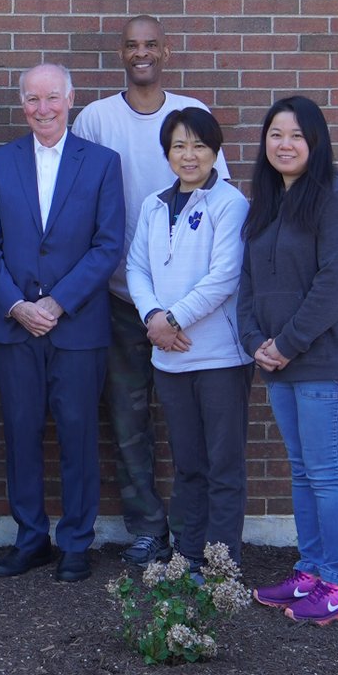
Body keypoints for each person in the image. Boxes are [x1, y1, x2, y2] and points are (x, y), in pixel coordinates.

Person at [70, 15, 230, 567]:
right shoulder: (95, 118)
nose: (142, 54)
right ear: (120, 53)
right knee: (128, 419)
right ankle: (146, 528)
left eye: (151, 45)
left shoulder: (194, 114)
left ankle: (195, 536)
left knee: (192, 429)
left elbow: (219, 203)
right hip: (119, 298)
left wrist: (178, 312)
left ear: (166, 51)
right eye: (132, 46)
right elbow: (76, 196)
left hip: (190, 312)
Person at [0, 64, 124, 583]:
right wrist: (17, 305)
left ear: (71, 99)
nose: (43, 109)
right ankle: (31, 537)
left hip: (77, 325)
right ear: (22, 104)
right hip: (14, 325)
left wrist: (57, 303)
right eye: (33, 99)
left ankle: (76, 541)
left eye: (53, 98)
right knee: (21, 432)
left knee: (79, 434)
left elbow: (108, 245)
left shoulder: (102, 163)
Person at [240, 96, 338, 625]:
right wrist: (255, 340)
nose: (285, 144)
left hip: (327, 362)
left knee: (325, 473)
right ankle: (311, 571)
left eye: (296, 135)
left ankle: (337, 584)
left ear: (315, 142)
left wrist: (286, 343)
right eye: (275, 134)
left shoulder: (335, 197)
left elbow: (334, 286)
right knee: (303, 473)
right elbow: (247, 282)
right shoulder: (267, 202)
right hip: (279, 362)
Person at [125, 108, 252, 574]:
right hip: (170, 360)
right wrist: (154, 317)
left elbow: (225, 276)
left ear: (215, 150)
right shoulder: (154, 206)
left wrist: (174, 318)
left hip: (220, 357)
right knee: (189, 466)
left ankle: (222, 565)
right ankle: (189, 555)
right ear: (167, 153)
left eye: (199, 144)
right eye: (179, 145)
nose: (189, 154)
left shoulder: (230, 203)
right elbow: (136, 268)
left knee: (223, 467)